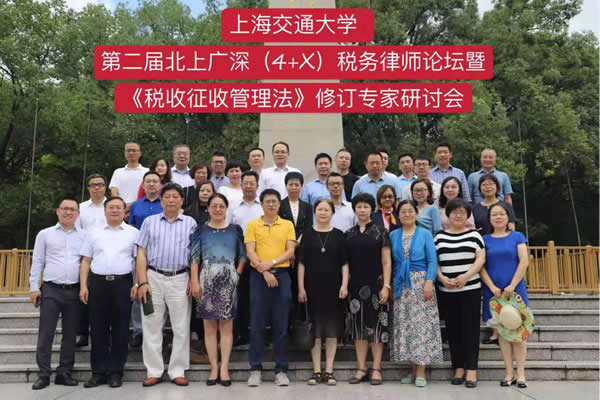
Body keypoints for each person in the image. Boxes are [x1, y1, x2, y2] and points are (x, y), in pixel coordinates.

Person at [135, 183, 197, 387]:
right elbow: (141, 253)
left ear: (181, 201)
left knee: (181, 327)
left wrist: (193, 279)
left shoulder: (190, 223)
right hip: (153, 277)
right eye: (167, 196)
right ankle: (154, 371)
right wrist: (142, 282)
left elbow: (195, 255)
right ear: (161, 201)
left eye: (175, 197)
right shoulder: (149, 222)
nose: (171, 200)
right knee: (151, 325)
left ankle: (177, 370)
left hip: (180, 278)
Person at [79, 196, 139, 388]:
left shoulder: (133, 233)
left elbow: (138, 261)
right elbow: (86, 260)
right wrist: (83, 286)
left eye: (118, 207)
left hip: (123, 284)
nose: (114, 210)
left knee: (121, 330)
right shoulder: (93, 233)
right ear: (105, 211)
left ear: (124, 211)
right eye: (111, 207)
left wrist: (137, 283)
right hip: (98, 284)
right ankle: (98, 373)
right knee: (98, 329)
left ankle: (115, 372)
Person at [189, 194, 247, 387]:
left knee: (227, 326)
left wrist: (236, 275)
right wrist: (195, 281)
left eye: (221, 206)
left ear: (226, 208)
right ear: (208, 208)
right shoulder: (201, 230)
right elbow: (194, 258)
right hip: (206, 279)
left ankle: (225, 368)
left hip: (229, 280)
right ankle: (214, 368)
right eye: (214, 206)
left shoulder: (235, 230)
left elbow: (243, 256)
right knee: (209, 327)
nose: (217, 209)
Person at [29, 199, 85, 390]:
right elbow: (37, 261)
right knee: (46, 333)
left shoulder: (85, 236)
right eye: (65, 209)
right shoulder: (45, 234)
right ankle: (44, 373)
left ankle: (64, 372)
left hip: (74, 290)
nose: (68, 212)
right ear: (57, 211)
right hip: (51, 289)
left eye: (73, 209)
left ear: (78, 214)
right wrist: (33, 287)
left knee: (70, 334)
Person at [244, 189, 296, 387]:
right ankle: (255, 369)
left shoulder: (287, 224)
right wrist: (264, 270)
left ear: (279, 204)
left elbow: (290, 251)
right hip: (258, 276)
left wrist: (272, 263)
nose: (271, 205)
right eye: (267, 201)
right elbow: (250, 251)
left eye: (274, 201)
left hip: (282, 275)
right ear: (262, 204)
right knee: (257, 324)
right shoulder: (253, 224)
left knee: (281, 324)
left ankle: (281, 369)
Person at [389, 200, 443, 388]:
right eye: (403, 211)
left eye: (410, 211)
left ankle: (421, 371)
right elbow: (391, 262)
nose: (407, 214)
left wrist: (429, 281)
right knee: (406, 326)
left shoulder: (425, 233)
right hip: (401, 284)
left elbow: (432, 260)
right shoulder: (393, 235)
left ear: (416, 213)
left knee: (420, 326)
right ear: (398, 215)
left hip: (420, 282)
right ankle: (412, 369)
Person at [435, 199, 486, 388]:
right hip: (447, 291)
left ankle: (471, 369)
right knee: (453, 330)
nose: (458, 215)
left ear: (468, 216)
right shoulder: (439, 236)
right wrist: (441, 278)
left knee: (470, 330)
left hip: (470, 289)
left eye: (462, 212)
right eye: (454, 212)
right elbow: (435, 261)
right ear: (447, 215)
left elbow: (480, 259)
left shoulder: (474, 235)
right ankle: (458, 367)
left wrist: (466, 276)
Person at [297, 199, 349, 386]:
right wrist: (301, 287)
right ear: (315, 212)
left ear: (332, 213)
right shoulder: (307, 235)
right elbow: (301, 263)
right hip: (312, 288)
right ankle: (316, 371)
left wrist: (344, 285)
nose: (323, 213)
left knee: (332, 330)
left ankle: (329, 371)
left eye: (327, 210)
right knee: (316, 331)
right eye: (320, 209)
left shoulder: (339, 235)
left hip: (334, 288)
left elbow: (345, 263)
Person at [480, 203, 530, 388]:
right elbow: (481, 266)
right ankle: (509, 372)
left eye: (502, 214)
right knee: (502, 332)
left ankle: (521, 373)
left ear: (508, 217)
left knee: (519, 332)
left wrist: (512, 285)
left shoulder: (517, 236)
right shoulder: (484, 239)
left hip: (515, 289)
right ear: (489, 218)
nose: (498, 217)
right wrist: (492, 286)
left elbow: (524, 261)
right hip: (494, 291)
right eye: (494, 214)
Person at [345, 193, 392, 385]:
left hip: (377, 285)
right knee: (358, 328)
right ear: (354, 210)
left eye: (366, 206)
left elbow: (386, 261)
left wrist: (386, 285)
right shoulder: (349, 234)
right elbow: (346, 263)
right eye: (359, 207)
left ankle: (376, 368)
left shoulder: (381, 232)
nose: (362, 210)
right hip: (355, 287)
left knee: (378, 327)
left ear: (372, 209)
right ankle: (361, 368)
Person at [229, 171, 263, 347]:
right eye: (246, 183)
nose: (249, 186)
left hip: (261, 258)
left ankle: (260, 334)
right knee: (240, 296)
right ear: (241, 185)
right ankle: (241, 333)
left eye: (252, 183)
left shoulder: (263, 206)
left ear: (257, 186)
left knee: (260, 297)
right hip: (239, 257)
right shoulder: (233, 207)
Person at [75, 173, 108, 348]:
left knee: (105, 297)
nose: (96, 187)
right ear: (88, 188)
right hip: (86, 256)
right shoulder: (80, 208)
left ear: (105, 187)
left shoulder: (112, 206)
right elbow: (76, 232)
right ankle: (82, 333)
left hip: (107, 255)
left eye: (100, 184)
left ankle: (105, 332)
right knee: (83, 294)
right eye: (93, 185)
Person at [109, 142, 149, 214]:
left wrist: (131, 206)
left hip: (142, 210)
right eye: (128, 150)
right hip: (121, 211)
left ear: (140, 153)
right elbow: (114, 192)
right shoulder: (117, 172)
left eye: (134, 150)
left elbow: (150, 193)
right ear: (125, 153)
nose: (131, 153)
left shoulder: (148, 172)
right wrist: (123, 207)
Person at [279, 172, 312, 241]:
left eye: (297, 185)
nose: (293, 187)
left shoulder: (307, 206)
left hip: (302, 242)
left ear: (301, 186)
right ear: (286, 186)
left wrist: (299, 241)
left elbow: (308, 227)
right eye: (290, 185)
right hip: (283, 241)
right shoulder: (279, 205)